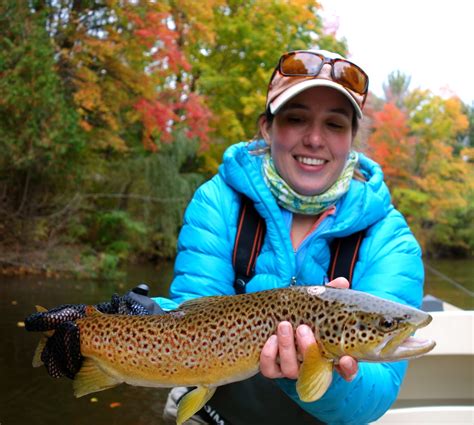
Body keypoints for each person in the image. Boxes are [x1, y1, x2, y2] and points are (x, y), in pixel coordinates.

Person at [25, 49, 424, 424]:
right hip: (216, 413)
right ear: (268, 128)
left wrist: (312, 371)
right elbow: (191, 318)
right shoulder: (219, 202)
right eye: (296, 118)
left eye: (334, 124)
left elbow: (376, 393)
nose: (315, 139)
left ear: (352, 138)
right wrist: (144, 317)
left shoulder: (391, 240)